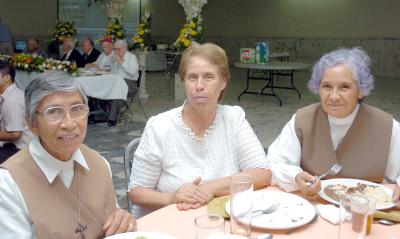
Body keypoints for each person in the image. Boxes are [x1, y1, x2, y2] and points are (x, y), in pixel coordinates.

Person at [128, 43, 271, 218]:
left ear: (223, 81)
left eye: (208, 77)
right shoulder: (160, 126)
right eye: (192, 77)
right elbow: (137, 191)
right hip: (167, 222)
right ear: (184, 82)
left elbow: (262, 173)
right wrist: (171, 197)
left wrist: (208, 189)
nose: (199, 85)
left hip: (219, 221)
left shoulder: (233, 119)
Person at [0, 71, 137, 237]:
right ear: (31, 123)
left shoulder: (99, 163)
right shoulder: (8, 183)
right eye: (54, 112)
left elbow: (112, 218)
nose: (69, 123)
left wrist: (121, 220)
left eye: (77, 109)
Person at [267, 47, 400, 207]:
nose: (334, 96)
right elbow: (275, 162)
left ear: (361, 90)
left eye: (344, 87)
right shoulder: (302, 120)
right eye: (327, 86)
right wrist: (295, 177)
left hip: (367, 214)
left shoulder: (386, 127)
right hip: (313, 208)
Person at [0, 62, 33, 163]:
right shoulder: (13, 93)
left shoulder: (12, 100)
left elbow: (15, 134)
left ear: (7, 78)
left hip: (19, 148)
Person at [108, 39, 139, 126]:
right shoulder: (115, 56)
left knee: (118, 91)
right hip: (117, 83)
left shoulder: (131, 57)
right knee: (106, 89)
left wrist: (121, 62)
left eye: (118, 49)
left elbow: (133, 72)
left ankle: (112, 118)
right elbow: (112, 71)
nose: (116, 51)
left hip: (130, 85)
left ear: (125, 48)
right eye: (115, 49)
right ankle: (121, 109)